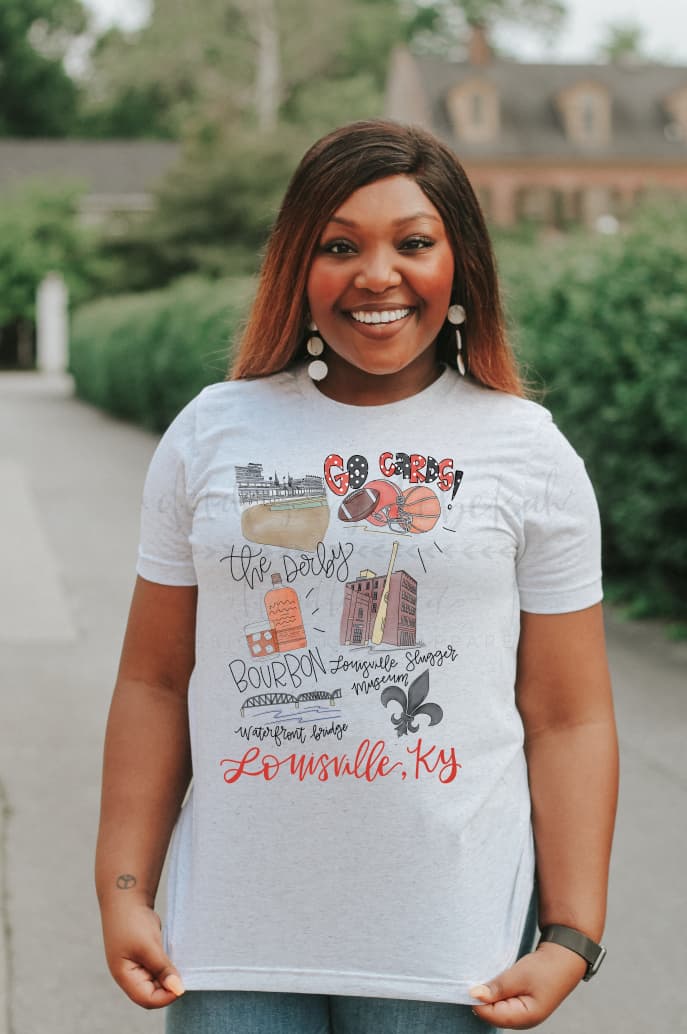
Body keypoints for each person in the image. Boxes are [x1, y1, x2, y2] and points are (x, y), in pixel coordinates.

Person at [95, 119, 619, 1034]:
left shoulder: (523, 450)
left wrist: (571, 933)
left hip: (448, 955)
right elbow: (154, 680)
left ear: (458, 267)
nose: (377, 275)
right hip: (229, 945)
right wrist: (124, 886)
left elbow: (567, 714)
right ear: (299, 265)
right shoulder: (214, 433)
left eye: (412, 243)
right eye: (340, 245)